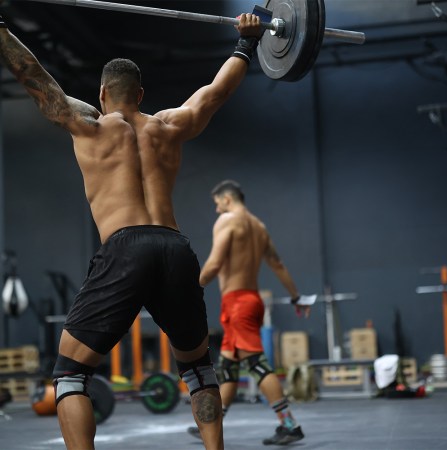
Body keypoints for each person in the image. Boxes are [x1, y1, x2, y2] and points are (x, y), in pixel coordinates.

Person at [0, 12, 264, 450]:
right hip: (175, 248)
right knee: (198, 368)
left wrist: (3, 28)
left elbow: (32, 74)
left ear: (102, 94)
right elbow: (216, 93)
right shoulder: (168, 126)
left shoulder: (88, 125)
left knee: (70, 374)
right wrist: (248, 43)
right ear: (140, 95)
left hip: (125, 248)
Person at [188, 179, 310, 446]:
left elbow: (215, 262)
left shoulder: (228, 221)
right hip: (251, 299)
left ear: (228, 200)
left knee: (256, 363)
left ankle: (289, 424)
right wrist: (296, 297)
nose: (217, 211)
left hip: (237, 303)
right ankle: (212, 423)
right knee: (229, 366)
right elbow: (277, 264)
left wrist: (191, 287)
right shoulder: (259, 226)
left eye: (218, 204)